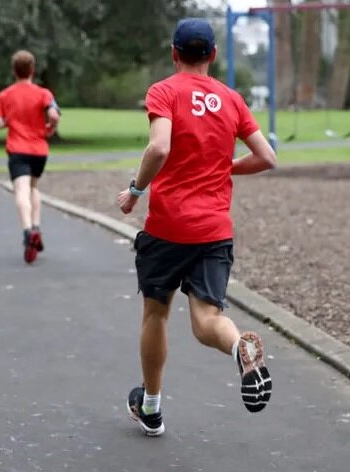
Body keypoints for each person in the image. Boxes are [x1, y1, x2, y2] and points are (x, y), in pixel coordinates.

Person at [115, 18, 278, 437]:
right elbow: (267, 157)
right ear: (213, 55)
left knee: (156, 312)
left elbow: (160, 146)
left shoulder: (164, 91)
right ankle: (240, 349)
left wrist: (135, 189)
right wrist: (227, 166)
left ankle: (150, 407)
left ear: (174, 53)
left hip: (168, 225)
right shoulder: (231, 98)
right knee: (208, 317)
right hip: (214, 228)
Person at [0, 50, 61, 263]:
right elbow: (53, 114)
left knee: (21, 191)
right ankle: (37, 225)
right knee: (33, 188)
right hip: (39, 150)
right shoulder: (43, 93)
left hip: (18, 149)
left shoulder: (5, 95)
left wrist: (7, 121)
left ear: (14, 71)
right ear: (32, 70)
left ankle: (28, 231)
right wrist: (51, 127)